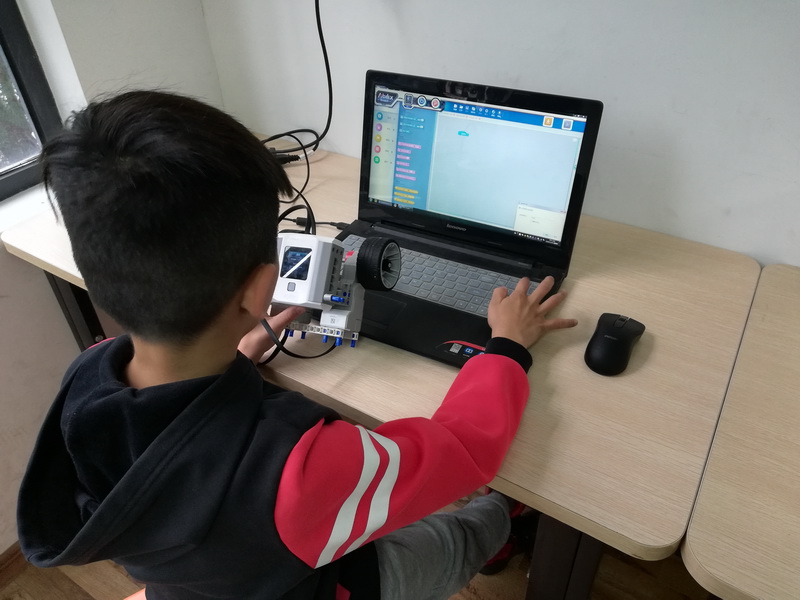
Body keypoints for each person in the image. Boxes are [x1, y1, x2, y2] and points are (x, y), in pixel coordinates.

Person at [16, 90, 577, 600]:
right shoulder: (303, 468)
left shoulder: (88, 379)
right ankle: (503, 527)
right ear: (263, 287)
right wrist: (508, 345)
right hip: (325, 584)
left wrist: (241, 346)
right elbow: (463, 450)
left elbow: (173, 444)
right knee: (460, 533)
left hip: (197, 584)